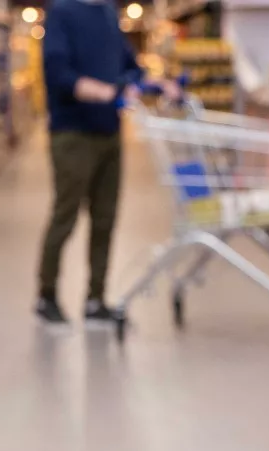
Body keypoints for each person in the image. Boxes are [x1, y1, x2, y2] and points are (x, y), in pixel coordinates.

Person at [36, 0, 173, 331]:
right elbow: (57, 71)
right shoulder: (62, 13)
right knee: (65, 216)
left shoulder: (108, 13)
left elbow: (127, 64)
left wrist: (151, 82)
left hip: (109, 132)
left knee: (105, 218)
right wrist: (98, 91)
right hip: (72, 134)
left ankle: (96, 299)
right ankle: (47, 295)